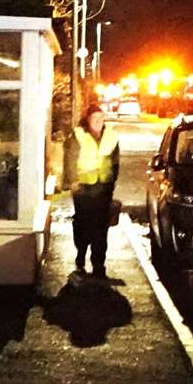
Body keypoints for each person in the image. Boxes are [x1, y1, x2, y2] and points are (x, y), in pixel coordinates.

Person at [63, 104, 121, 277]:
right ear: (87, 120)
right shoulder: (78, 135)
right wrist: (72, 180)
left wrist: (112, 180)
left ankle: (98, 263)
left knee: (101, 226)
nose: (98, 122)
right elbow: (70, 158)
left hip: (103, 186)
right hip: (83, 187)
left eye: (101, 118)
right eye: (94, 118)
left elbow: (115, 159)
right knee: (83, 223)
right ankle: (81, 253)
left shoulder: (110, 136)